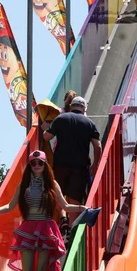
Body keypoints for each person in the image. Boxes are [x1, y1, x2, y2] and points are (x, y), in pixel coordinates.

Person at [43, 96, 102, 228]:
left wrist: (46, 128)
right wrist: (95, 164)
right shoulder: (89, 123)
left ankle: (62, 217)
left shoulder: (60, 119)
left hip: (60, 165)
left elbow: (47, 137)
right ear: (84, 108)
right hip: (79, 167)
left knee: (57, 194)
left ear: (70, 106)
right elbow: (97, 145)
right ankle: (71, 230)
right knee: (74, 199)